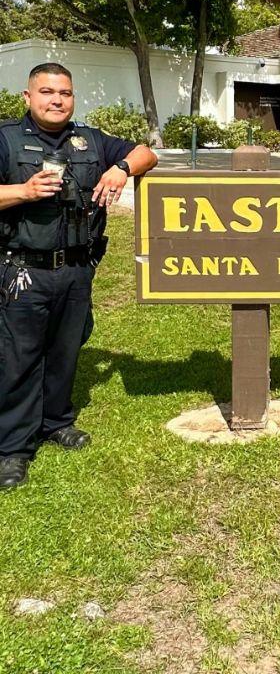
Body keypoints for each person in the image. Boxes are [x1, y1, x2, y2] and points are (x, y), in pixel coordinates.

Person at [0, 63, 158, 489]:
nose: (57, 100)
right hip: (24, 271)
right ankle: (13, 447)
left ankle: (56, 422)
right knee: (19, 358)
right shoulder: (6, 138)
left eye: (65, 93)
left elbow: (148, 152)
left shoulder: (89, 139)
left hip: (76, 269)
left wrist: (121, 168)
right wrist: (23, 192)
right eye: (47, 92)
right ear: (28, 97)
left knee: (65, 351)